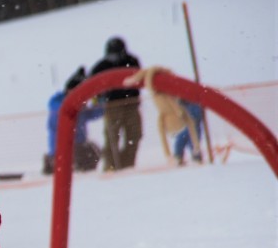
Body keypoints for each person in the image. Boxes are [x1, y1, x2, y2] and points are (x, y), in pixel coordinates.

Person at [89, 37, 142, 171]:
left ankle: (127, 164)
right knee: (112, 138)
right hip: (112, 106)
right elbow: (91, 85)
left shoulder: (132, 61)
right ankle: (111, 166)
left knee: (135, 135)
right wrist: (97, 99)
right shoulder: (101, 67)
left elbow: (140, 79)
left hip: (132, 104)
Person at [44, 68, 104, 175]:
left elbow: (95, 113)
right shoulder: (57, 104)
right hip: (61, 150)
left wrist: (99, 100)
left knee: (95, 151)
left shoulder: (80, 107)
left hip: (79, 147)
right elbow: (62, 110)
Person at [152, 86, 205, 166]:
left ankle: (183, 155)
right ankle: (188, 154)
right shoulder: (182, 100)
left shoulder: (184, 100)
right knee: (188, 134)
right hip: (188, 113)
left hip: (189, 114)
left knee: (187, 134)